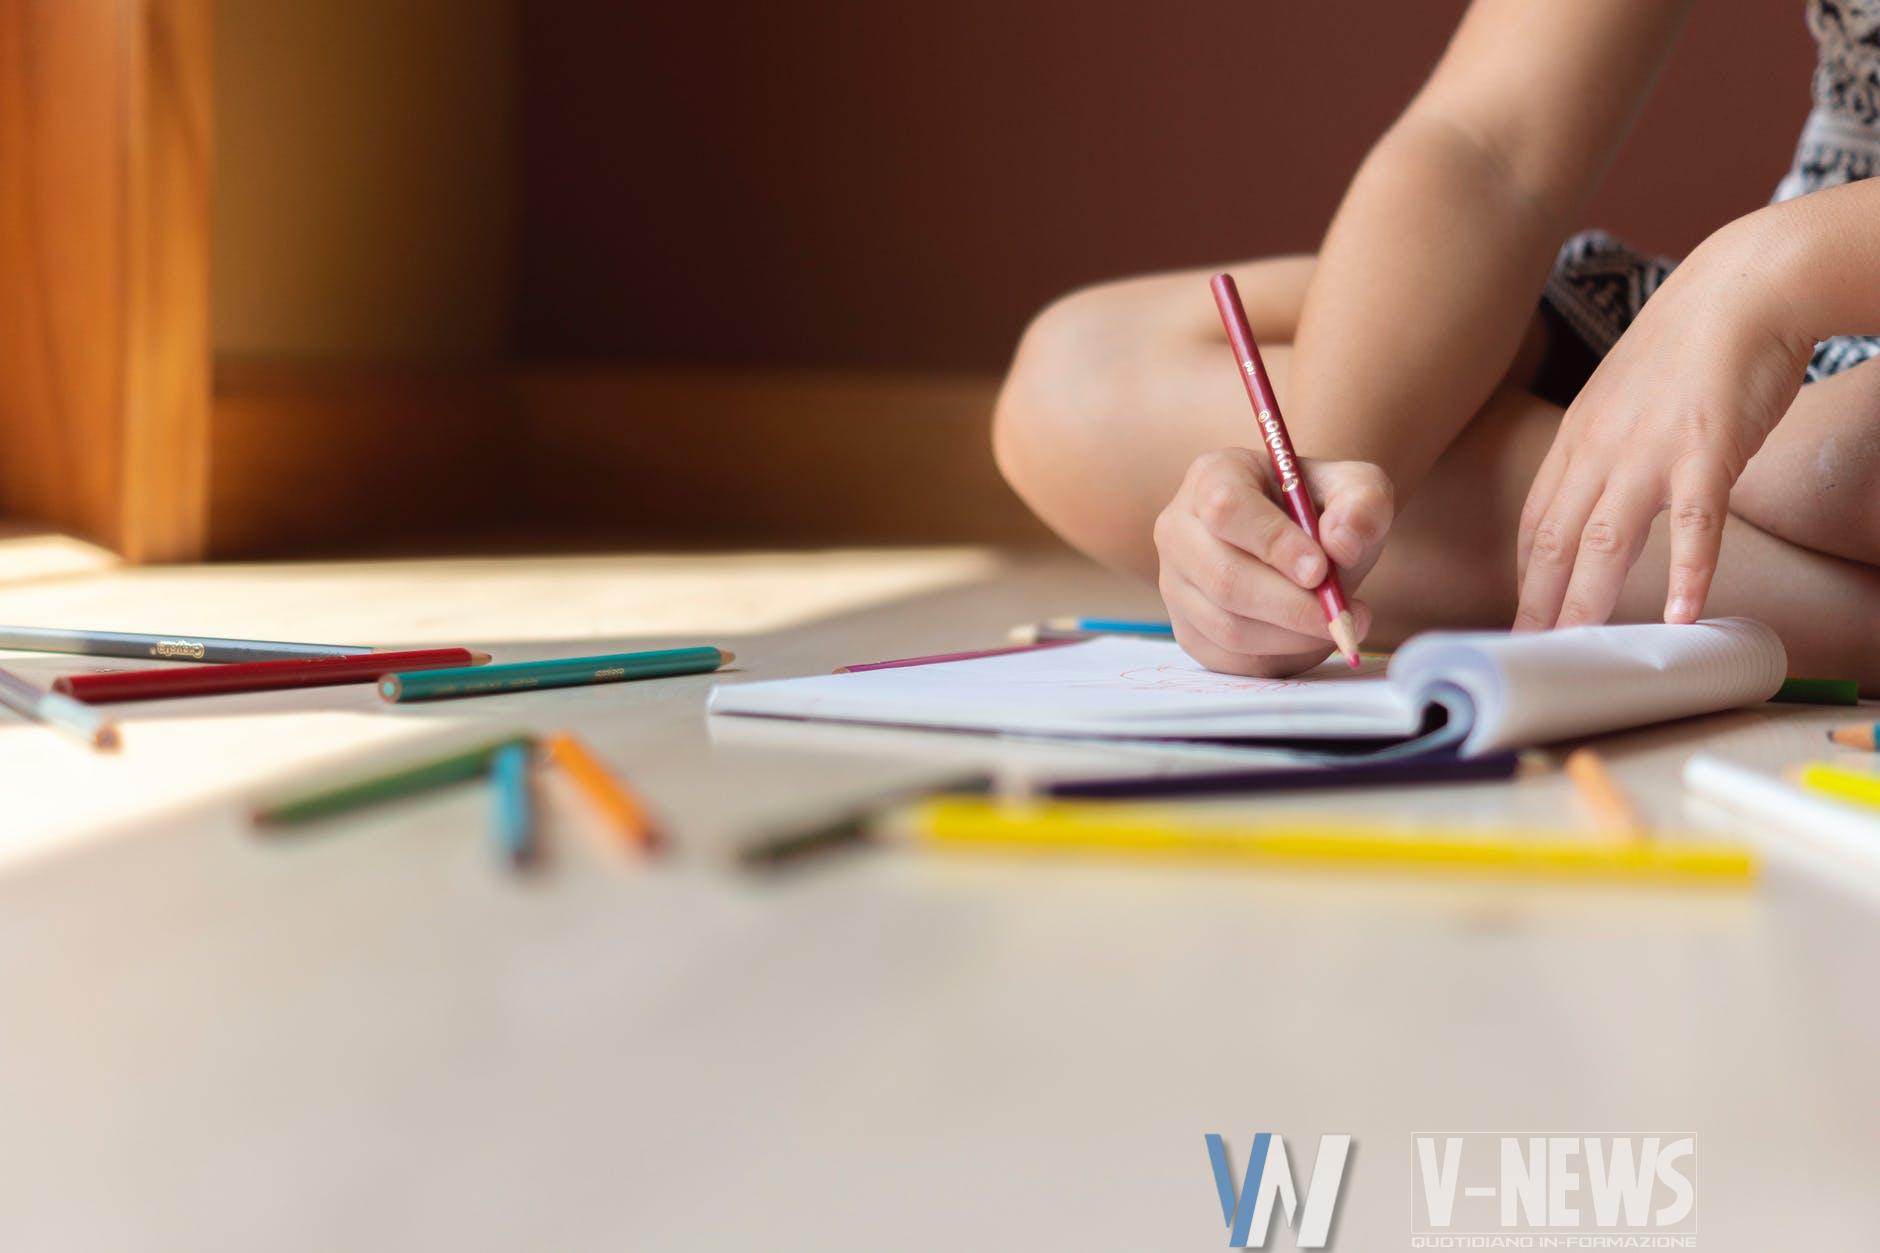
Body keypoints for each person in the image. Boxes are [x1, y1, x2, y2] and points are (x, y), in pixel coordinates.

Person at [993, 0, 1880, 689]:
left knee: (1833, 458)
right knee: (1081, 381)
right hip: (1755, 318)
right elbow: (1489, 150)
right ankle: (1795, 580)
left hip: (1791, 287)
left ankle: (1735, 549)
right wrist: (1322, 499)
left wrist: (1774, 272)